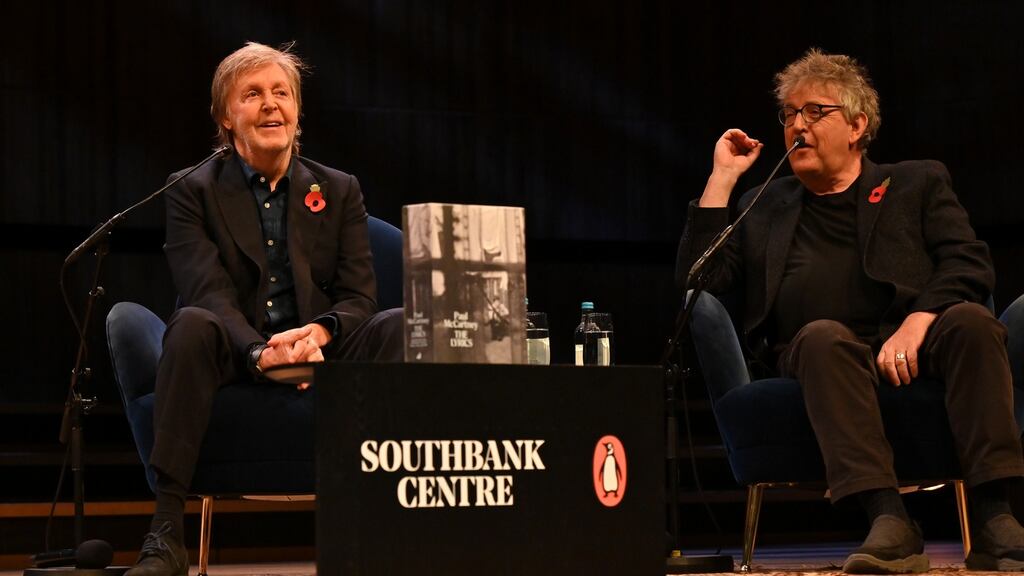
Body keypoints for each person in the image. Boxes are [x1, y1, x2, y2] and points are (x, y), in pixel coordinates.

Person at [677, 48, 1024, 573]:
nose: (798, 124)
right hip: (815, 355)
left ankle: (996, 516)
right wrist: (722, 180)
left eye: (815, 111)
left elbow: (969, 263)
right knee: (823, 336)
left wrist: (918, 320)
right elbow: (699, 280)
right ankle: (888, 517)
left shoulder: (916, 182)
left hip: (917, 347)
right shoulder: (764, 204)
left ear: (858, 125)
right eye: (789, 113)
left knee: (973, 322)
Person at [125, 42, 403, 576]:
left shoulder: (339, 189)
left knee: (396, 325)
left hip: (320, 353)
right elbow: (205, 290)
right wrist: (258, 353)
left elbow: (360, 295)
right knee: (188, 325)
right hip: (232, 352)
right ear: (226, 118)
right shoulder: (191, 190)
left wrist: (319, 335)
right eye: (252, 95)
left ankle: (386, 525)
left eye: (281, 93)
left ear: (297, 112)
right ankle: (164, 535)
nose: (270, 104)